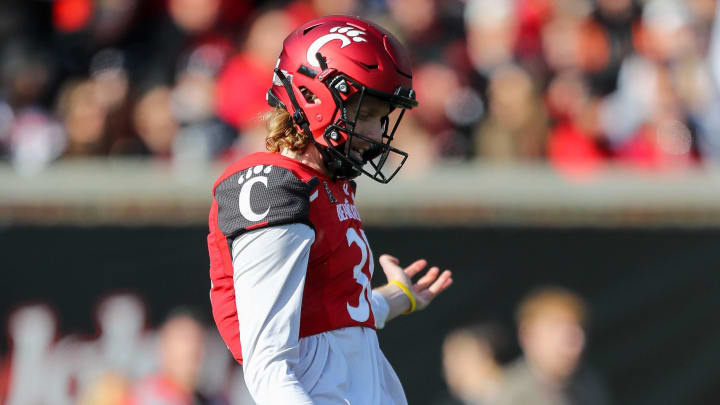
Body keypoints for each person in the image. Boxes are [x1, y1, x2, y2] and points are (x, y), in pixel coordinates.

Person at [207, 15, 453, 404]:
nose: (376, 134)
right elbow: (269, 363)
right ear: (315, 97)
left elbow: (331, 318)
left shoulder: (326, 184)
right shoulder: (272, 185)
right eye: (367, 114)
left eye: (382, 117)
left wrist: (392, 298)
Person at [493, 287, 611, 405]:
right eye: (556, 329)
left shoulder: (588, 384)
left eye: (577, 331)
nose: (574, 342)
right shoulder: (511, 395)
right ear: (528, 335)